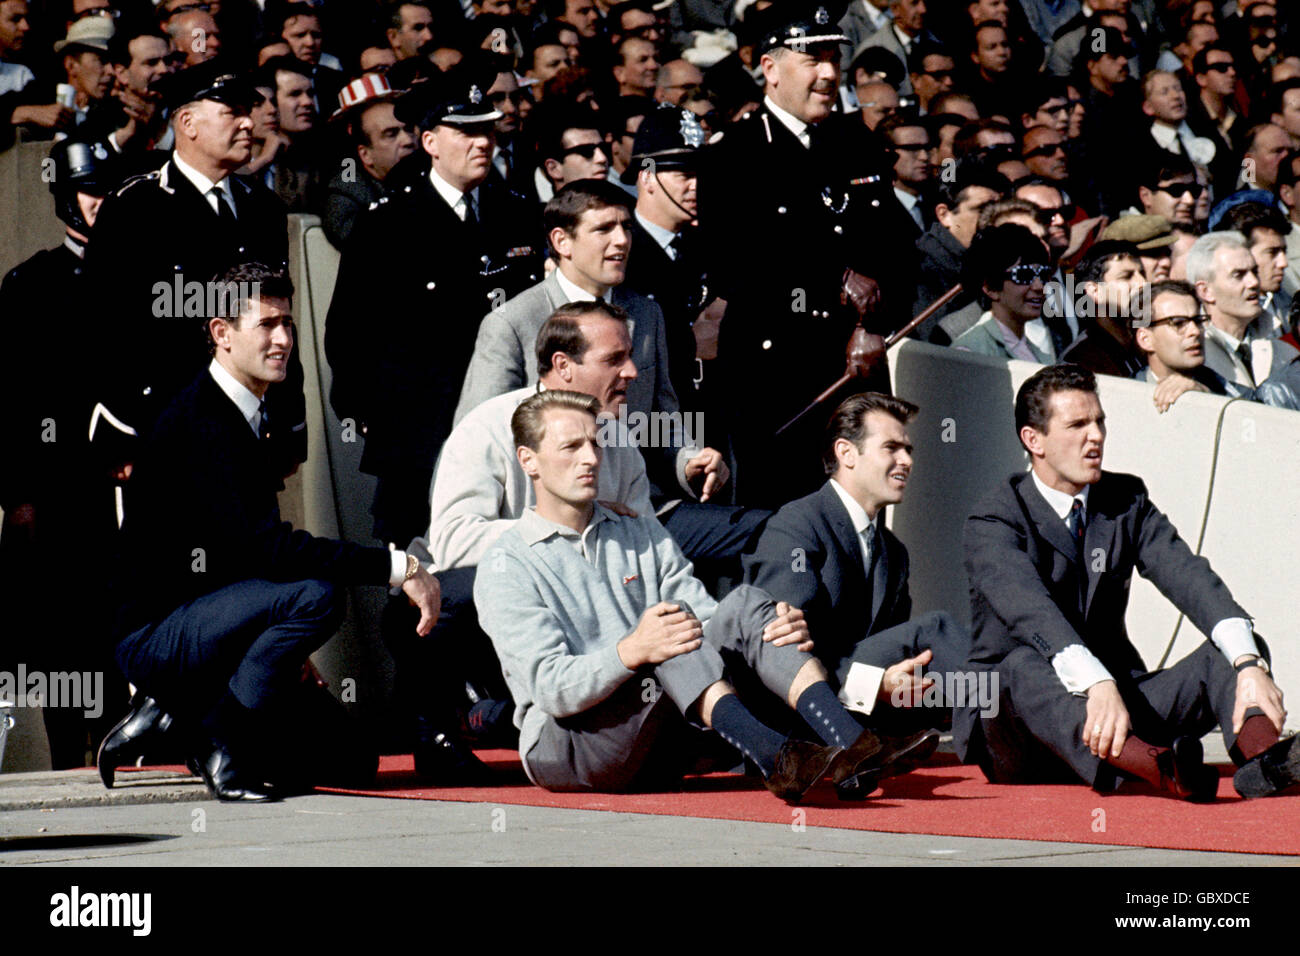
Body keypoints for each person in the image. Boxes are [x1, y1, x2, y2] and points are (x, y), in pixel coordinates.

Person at [474, 388, 931, 800]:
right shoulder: (506, 564)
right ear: (528, 460)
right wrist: (632, 650)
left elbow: (711, 620)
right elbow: (554, 690)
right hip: (571, 745)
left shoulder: (639, 531)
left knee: (744, 603)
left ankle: (851, 742)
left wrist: (769, 623)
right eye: (571, 447)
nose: (591, 458)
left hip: (664, 735)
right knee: (666, 635)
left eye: (595, 443)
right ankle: (776, 755)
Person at [102, 263, 442, 802]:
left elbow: (248, 555)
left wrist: (274, 643)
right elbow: (267, 548)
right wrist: (397, 567)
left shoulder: (251, 407)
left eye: (288, 324)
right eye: (266, 325)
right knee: (315, 597)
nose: (283, 339)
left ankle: (171, 715)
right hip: (158, 631)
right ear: (221, 333)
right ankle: (219, 737)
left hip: (217, 619)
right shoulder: (202, 420)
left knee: (351, 761)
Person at [958, 364, 1300, 801]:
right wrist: (1095, 683)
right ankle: (1156, 769)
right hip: (1019, 730)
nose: (1096, 435)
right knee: (1019, 665)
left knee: (1237, 643)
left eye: (1099, 421)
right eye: (1078, 424)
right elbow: (1031, 613)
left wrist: (1248, 665)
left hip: (1115, 710)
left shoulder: (1126, 500)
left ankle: (1267, 761)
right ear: (1033, 440)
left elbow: (1189, 578)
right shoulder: (994, 518)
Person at [702, 3, 914, 508]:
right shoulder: (732, 155)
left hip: (858, 374)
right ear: (770, 69)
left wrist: (872, 325)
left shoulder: (856, 142)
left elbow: (897, 249)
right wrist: (833, 280)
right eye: (811, 58)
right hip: (780, 385)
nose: (827, 73)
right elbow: (735, 266)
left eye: (832, 59)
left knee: (863, 517)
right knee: (788, 521)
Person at [326, 63, 543, 550]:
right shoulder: (386, 226)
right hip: (419, 444)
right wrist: (378, 421)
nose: (481, 142)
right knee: (419, 581)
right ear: (430, 143)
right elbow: (349, 336)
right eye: (465, 131)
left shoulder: (517, 213)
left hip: (510, 434)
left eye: (486, 128)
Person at [87, 59, 303, 478]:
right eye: (233, 112)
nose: (248, 124)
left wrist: (290, 424)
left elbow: (279, 322)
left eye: (249, 111)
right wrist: (123, 430)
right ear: (187, 122)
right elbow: (104, 326)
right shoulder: (134, 207)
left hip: (248, 431)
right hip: (161, 430)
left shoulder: (264, 209)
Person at [743, 392, 968, 746]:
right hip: (796, 715)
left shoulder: (894, 551)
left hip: (863, 709)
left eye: (908, 450)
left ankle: (1005, 734)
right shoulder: (796, 525)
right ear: (846, 452)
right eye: (891, 448)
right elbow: (781, 652)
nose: (906, 460)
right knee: (935, 630)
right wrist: (874, 684)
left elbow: (892, 648)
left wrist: (897, 684)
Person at [0, 139, 125, 769]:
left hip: (134, 485)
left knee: (124, 622)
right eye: (91, 189)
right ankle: (66, 761)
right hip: (60, 492)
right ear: (62, 198)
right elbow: (10, 400)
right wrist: (19, 497)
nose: (103, 202)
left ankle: (122, 750)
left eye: (111, 188)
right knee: (61, 634)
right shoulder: (30, 285)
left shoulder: (142, 273)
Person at [1187, 231, 1299, 388]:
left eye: (1254, 272)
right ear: (1206, 291)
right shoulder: (1191, 354)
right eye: (1238, 275)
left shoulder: (1285, 352)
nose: (1253, 282)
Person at [321, 73, 415, 248]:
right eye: (391, 134)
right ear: (365, 154)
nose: (408, 141)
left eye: (409, 129)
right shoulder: (347, 188)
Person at [911, 160, 1004, 335]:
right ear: (945, 215)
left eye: (999, 210)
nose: (993, 220)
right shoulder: (920, 266)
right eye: (982, 209)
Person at [951, 223, 1057, 363]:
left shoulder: (1039, 354)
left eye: (1044, 276)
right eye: (1023, 276)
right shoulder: (970, 352)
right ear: (990, 288)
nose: (1039, 287)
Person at [1059, 239, 1148, 378]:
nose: (1143, 283)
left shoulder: (1147, 343)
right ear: (1094, 291)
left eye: (1143, 274)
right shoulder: (1079, 360)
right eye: (1126, 277)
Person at [1217, 201, 1292, 337]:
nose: (1283, 263)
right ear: (1241, 253)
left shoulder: (1286, 300)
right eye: (1272, 252)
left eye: (1283, 251)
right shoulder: (1223, 314)